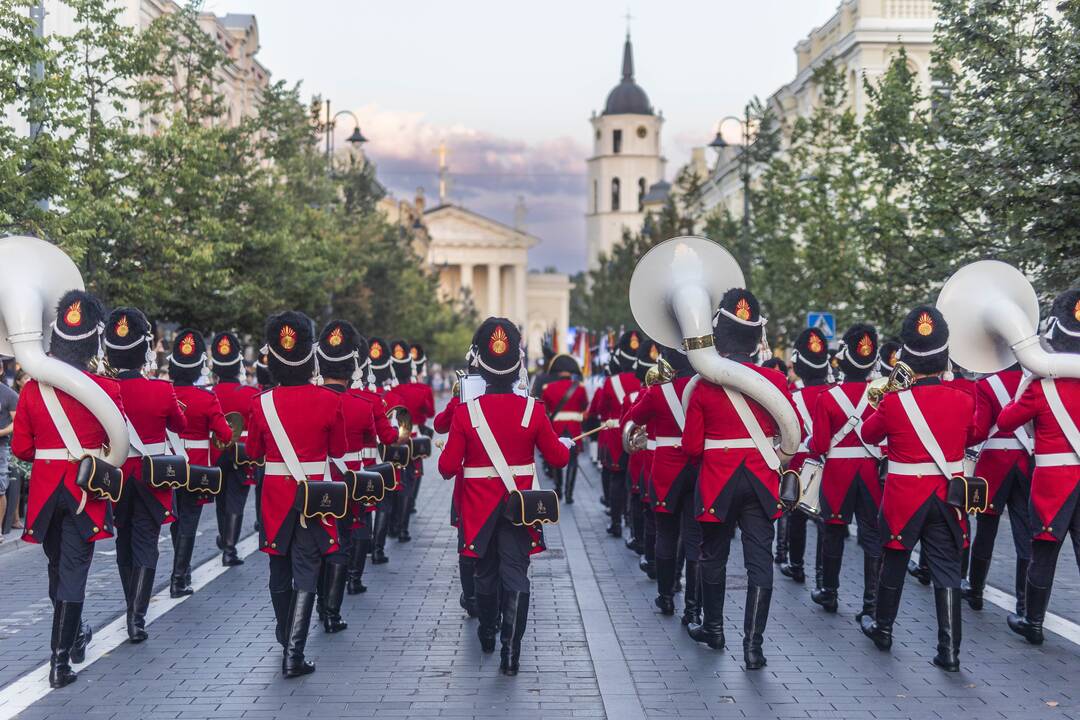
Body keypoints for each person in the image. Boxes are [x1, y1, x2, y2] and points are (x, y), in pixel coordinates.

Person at [438, 317, 571, 675]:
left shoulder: (466, 414)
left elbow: (447, 468)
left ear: (479, 362)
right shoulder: (534, 410)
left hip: (479, 509)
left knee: (484, 572)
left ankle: (487, 631)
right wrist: (567, 445)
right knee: (516, 573)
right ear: (518, 363)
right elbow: (558, 458)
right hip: (519, 507)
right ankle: (511, 654)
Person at [859, 306, 986, 672]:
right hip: (946, 495)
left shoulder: (895, 402)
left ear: (909, 359)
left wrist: (890, 392)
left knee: (895, 560)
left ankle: (883, 629)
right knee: (947, 569)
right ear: (944, 355)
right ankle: (949, 652)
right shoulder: (963, 399)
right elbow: (975, 434)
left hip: (904, 498)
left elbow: (868, 433)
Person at [681, 289, 798, 670]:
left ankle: (714, 630)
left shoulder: (701, 386)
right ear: (755, 337)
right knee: (760, 562)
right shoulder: (776, 382)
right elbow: (792, 432)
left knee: (713, 556)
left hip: (718, 480)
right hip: (762, 481)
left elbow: (693, 448)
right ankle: (753, 647)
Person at [11, 290, 123, 688]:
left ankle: (72, 636)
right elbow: (117, 443)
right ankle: (60, 661)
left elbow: (22, 448)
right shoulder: (107, 389)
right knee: (74, 570)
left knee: (57, 567)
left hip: (45, 492)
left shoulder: (30, 390)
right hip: (83, 490)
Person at [245, 311, 347, 678]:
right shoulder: (328, 401)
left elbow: (253, 454)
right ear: (310, 355)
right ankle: (294, 653)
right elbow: (337, 450)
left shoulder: (261, 403)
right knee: (307, 567)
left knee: (278, 565)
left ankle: (286, 632)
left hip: (275, 496)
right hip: (314, 496)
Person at [997, 289, 1080, 645]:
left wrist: (1026, 382)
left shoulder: (1040, 387)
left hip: (1054, 482)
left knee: (1043, 552)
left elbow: (1005, 421)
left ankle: (1033, 623)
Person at [105, 307, 187, 643]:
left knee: (123, 540)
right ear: (145, 351)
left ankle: (130, 605)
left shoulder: (103, 389)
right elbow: (178, 426)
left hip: (119, 476)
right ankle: (136, 617)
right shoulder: (163, 390)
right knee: (146, 544)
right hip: (154, 477)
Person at [317, 320, 392, 631]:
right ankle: (332, 611)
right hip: (351, 482)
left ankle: (321, 604)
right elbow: (379, 438)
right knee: (346, 539)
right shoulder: (364, 405)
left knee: (319, 544)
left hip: (318, 481)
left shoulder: (312, 398)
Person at [808, 325, 883, 620]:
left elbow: (821, 444)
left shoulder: (826, 398)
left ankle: (830, 592)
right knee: (872, 536)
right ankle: (871, 602)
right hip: (869, 470)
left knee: (833, 532)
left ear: (844, 359)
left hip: (839, 472)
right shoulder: (881, 397)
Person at [629, 346, 701, 624]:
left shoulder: (658, 391)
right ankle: (693, 609)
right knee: (695, 538)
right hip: (696, 468)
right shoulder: (703, 389)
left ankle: (666, 596)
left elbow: (633, 419)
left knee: (666, 534)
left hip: (667, 470)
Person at [962, 362, 1032, 613]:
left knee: (986, 531)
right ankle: (1025, 604)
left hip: (993, 467)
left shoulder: (985, 385)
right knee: (1026, 535)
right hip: (1025, 463)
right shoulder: (1033, 381)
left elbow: (979, 431)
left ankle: (976, 590)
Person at [167, 329, 232, 598]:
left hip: (168, 465)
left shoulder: (165, 392)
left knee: (176, 518)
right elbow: (225, 435)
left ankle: (182, 571)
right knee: (189, 521)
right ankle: (179, 577)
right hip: (196, 467)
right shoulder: (207, 398)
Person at [779, 328, 833, 586]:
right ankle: (822, 576)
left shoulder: (791, 397)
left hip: (801, 464)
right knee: (825, 521)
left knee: (796, 516)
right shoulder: (835, 393)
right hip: (830, 463)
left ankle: (796, 565)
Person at [345, 333, 397, 592]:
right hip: (363, 469)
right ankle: (354, 578)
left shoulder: (326, 397)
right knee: (361, 521)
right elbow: (387, 437)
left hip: (330, 471)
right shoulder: (373, 400)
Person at [210, 331, 259, 567]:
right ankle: (229, 548)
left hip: (217, 452)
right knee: (236, 500)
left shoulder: (211, 394)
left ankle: (224, 538)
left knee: (220, 499)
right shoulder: (250, 394)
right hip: (242, 453)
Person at [384, 339, 435, 543]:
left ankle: (393, 524)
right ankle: (403, 528)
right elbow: (430, 412)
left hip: (395, 439)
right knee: (409, 480)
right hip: (413, 439)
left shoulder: (390, 392)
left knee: (395, 481)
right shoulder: (422, 390)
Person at [595, 331, 642, 538]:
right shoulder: (646, 381)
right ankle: (632, 524)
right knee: (636, 481)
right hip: (640, 435)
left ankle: (615, 522)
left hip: (616, 434)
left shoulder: (610, 382)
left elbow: (602, 410)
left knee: (617, 477)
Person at [365, 336, 397, 564]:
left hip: (354, 462)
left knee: (361, 505)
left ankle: (365, 546)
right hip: (382, 459)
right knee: (383, 502)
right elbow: (390, 436)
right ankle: (377, 548)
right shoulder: (392, 396)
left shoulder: (355, 396)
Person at [540, 354, 588, 503]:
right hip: (574, 427)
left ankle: (558, 489)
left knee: (557, 459)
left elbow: (545, 410)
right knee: (573, 461)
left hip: (557, 427)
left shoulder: (548, 388)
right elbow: (584, 406)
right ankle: (569, 494)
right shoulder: (579, 388)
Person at [0, 368, 19, 538]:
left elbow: (18, 422)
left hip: (1, 447)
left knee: (0, 489)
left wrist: (1, 432)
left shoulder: (9, 394)